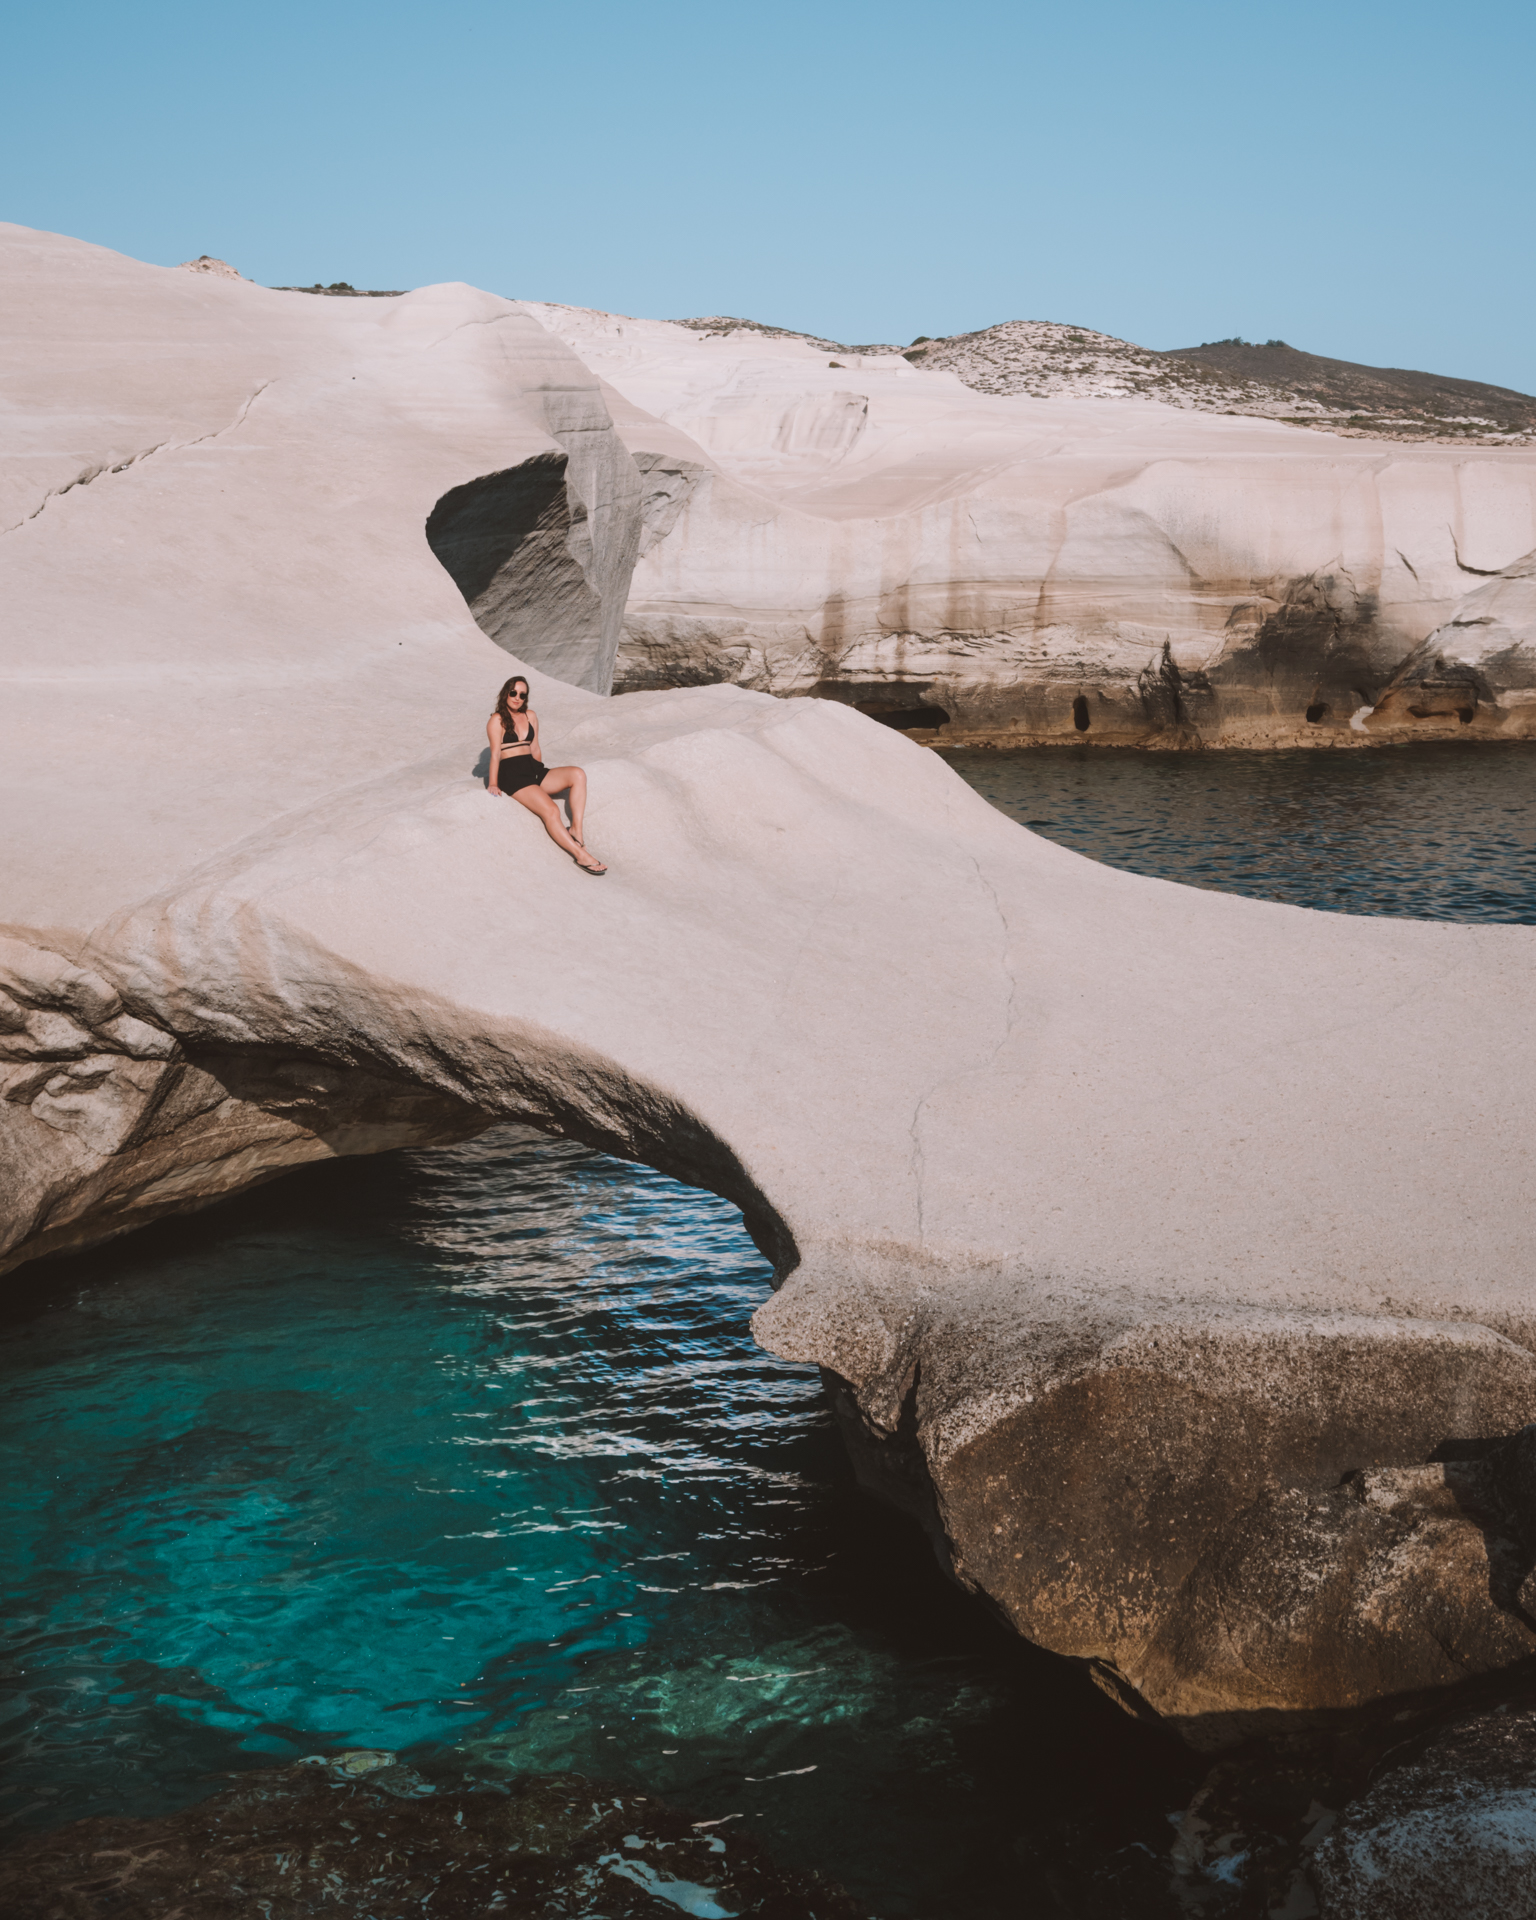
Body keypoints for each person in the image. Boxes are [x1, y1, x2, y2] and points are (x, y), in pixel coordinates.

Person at [486, 676, 607, 873]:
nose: (517, 698)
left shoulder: (530, 716)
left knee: (577, 774)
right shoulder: (497, 720)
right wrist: (493, 783)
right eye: (513, 693)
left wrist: (540, 772)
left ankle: (576, 829)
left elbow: (535, 748)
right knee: (551, 810)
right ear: (506, 693)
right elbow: (495, 754)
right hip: (512, 776)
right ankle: (580, 855)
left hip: (532, 769)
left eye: (522, 695)